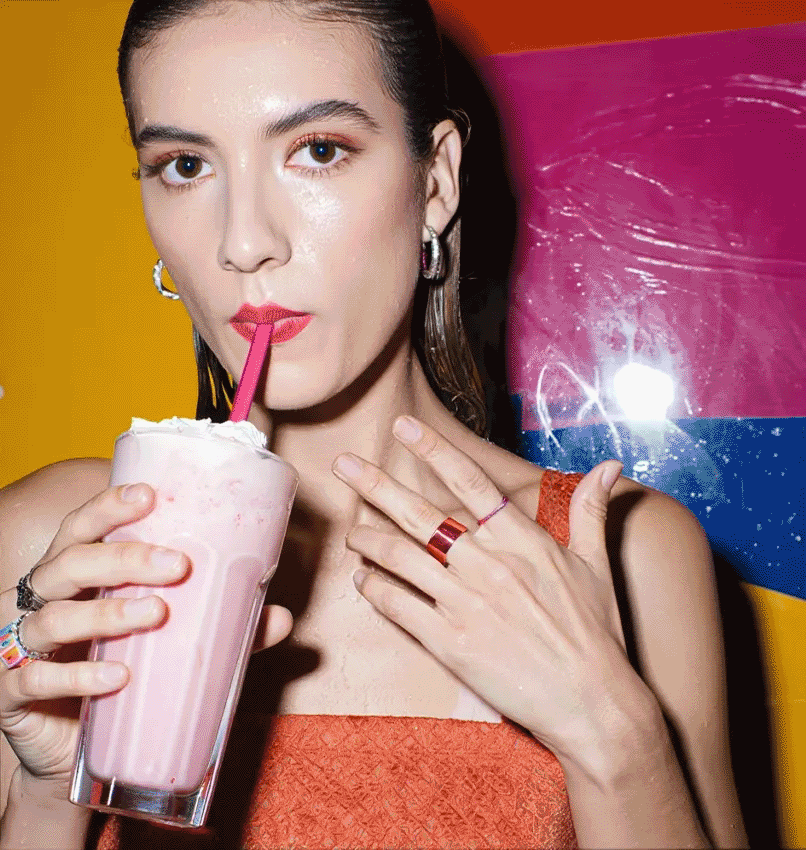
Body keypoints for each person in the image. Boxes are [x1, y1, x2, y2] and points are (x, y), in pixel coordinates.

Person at [0, 1, 747, 847]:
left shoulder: (616, 554)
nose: (244, 242)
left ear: (436, 184)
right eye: (184, 165)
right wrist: (45, 797)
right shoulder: (55, 554)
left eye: (318, 150)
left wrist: (614, 737)